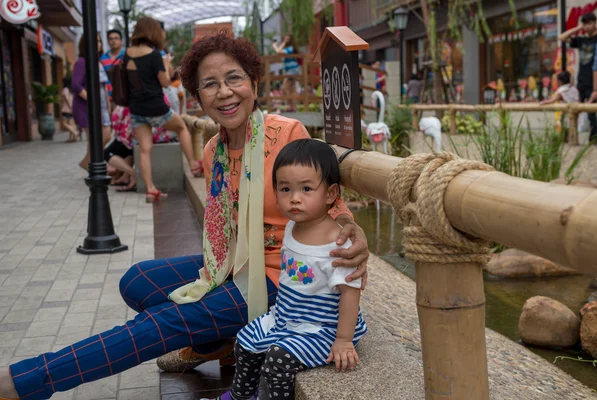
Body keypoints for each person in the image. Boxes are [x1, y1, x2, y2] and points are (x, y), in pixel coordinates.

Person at [0, 32, 370, 400]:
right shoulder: (214, 150)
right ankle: (216, 340)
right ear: (197, 98)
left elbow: (330, 204)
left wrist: (354, 231)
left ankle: (27, 381)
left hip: (282, 281)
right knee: (137, 280)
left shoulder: (287, 133)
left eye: (234, 78)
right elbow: (225, 226)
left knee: (163, 322)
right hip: (234, 264)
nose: (224, 92)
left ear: (254, 84)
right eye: (210, 84)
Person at [202, 139, 367, 400]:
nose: (294, 199)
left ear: (331, 194)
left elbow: (350, 292)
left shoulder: (337, 245)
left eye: (306, 189)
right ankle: (241, 396)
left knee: (277, 362)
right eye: (286, 189)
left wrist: (344, 340)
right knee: (245, 342)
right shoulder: (292, 226)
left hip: (323, 327)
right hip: (286, 318)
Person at [123, 16, 203, 202]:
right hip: (156, 107)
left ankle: (151, 189)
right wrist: (166, 65)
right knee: (181, 127)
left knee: (144, 149)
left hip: (136, 109)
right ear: (152, 32)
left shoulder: (127, 54)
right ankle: (192, 164)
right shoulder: (154, 56)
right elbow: (165, 82)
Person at [72, 34, 112, 171]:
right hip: (88, 108)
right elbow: (76, 85)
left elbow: (104, 86)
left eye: (100, 41)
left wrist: (107, 105)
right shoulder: (82, 62)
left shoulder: (98, 62)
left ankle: (89, 162)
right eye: (95, 41)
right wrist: (92, 101)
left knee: (106, 136)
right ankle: (94, 165)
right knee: (95, 138)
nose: (98, 44)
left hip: (103, 107)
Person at [559, 12, 597, 143]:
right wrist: (578, 28)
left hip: (593, 82)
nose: (587, 27)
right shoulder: (581, 40)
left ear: (595, 23)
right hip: (580, 80)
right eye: (585, 24)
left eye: (589, 23)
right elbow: (562, 37)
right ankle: (572, 138)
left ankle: (593, 140)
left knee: (591, 112)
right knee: (573, 110)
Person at [273, 34, 300, 111]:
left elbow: (279, 52)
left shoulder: (290, 49)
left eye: (288, 39)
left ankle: (291, 106)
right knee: (291, 88)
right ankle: (292, 107)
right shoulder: (289, 49)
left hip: (292, 70)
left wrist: (275, 45)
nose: (286, 40)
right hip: (292, 70)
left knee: (285, 87)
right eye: (285, 39)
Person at [100, 29, 125, 98]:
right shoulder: (102, 58)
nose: (113, 41)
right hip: (108, 97)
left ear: (121, 41)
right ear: (108, 41)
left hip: (124, 97)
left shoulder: (127, 56)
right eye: (110, 39)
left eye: (116, 38)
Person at [60, 77, 80, 143]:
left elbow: (66, 98)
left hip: (66, 109)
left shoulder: (65, 89)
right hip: (72, 109)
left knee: (64, 123)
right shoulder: (71, 90)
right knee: (71, 124)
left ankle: (75, 133)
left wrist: (69, 106)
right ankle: (72, 138)